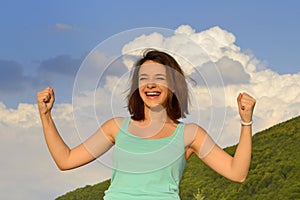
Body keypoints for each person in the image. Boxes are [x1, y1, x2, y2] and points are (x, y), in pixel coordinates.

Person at [37, 49, 256, 200]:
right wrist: (46, 116)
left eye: (159, 77)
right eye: (143, 79)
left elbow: (237, 173)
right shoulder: (116, 128)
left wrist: (246, 121)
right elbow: (65, 160)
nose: (150, 84)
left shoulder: (190, 135)